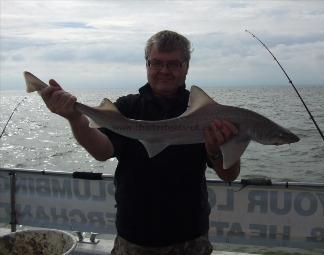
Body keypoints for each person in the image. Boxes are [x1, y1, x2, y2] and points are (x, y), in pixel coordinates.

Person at [40, 30, 240, 255]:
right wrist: (75, 118)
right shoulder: (126, 108)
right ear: (147, 65)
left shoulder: (209, 116)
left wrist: (215, 150)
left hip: (190, 238)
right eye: (156, 63)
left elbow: (229, 175)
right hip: (133, 237)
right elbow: (102, 151)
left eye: (173, 64)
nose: (164, 71)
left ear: (186, 67)